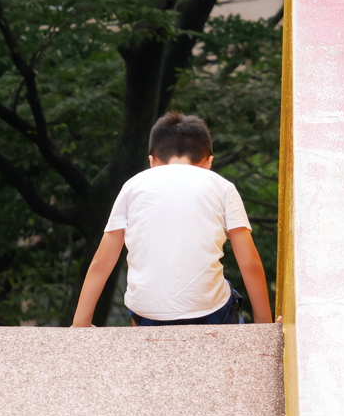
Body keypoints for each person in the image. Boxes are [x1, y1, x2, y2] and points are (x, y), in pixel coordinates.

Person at [72, 112, 273, 327]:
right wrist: (266, 326)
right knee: (225, 293)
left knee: (143, 301)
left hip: (147, 315)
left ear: (152, 161)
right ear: (208, 162)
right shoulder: (221, 186)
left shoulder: (132, 186)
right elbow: (250, 263)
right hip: (208, 313)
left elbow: (101, 263)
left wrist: (80, 325)